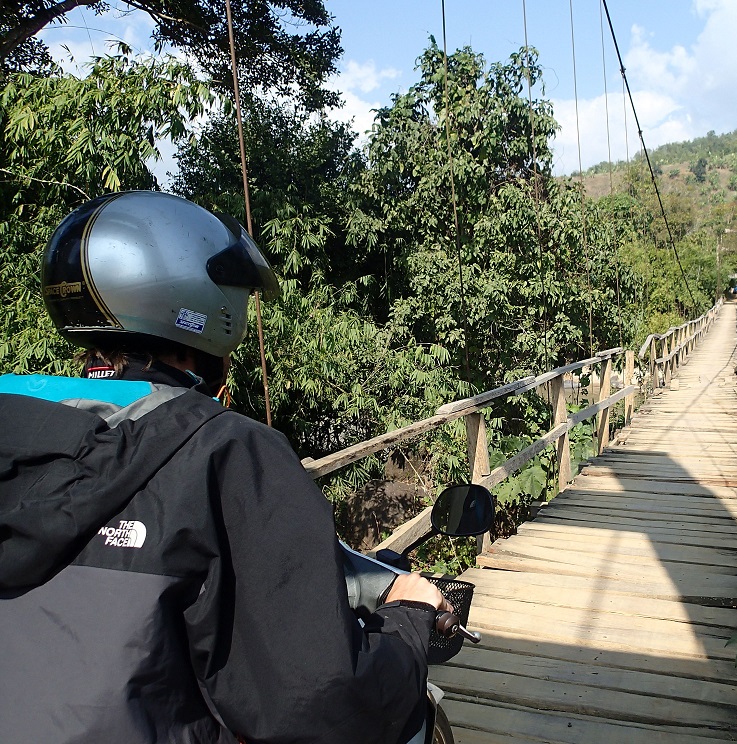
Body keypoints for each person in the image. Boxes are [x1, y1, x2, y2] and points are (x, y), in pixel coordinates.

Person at [0, 191, 448, 744]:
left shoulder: (18, 426)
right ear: (202, 305)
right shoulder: (226, 452)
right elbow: (322, 705)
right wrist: (411, 622)